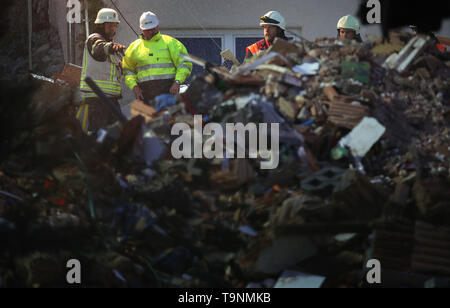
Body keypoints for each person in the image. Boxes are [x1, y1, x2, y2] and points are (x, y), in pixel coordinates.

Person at [123, 11, 192, 105]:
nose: (151, 32)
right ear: (142, 29)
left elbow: (185, 63)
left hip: (169, 92)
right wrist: (134, 87)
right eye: (147, 29)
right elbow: (127, 70)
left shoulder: (171, 43)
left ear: (157, 26)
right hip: (145, 95)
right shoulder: (134, 48)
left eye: (153, 28)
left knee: (169, 118)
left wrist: (177, 82)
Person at [76, 8, 126, 133]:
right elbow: (98, 49)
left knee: (117, 133)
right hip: (97, 98)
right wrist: (110, 47)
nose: (113, 29)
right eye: (109, 25)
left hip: (111, 99)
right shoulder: (94, 39)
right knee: (99, 134)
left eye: (114, 26)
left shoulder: (112, 47)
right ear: (101, 25)